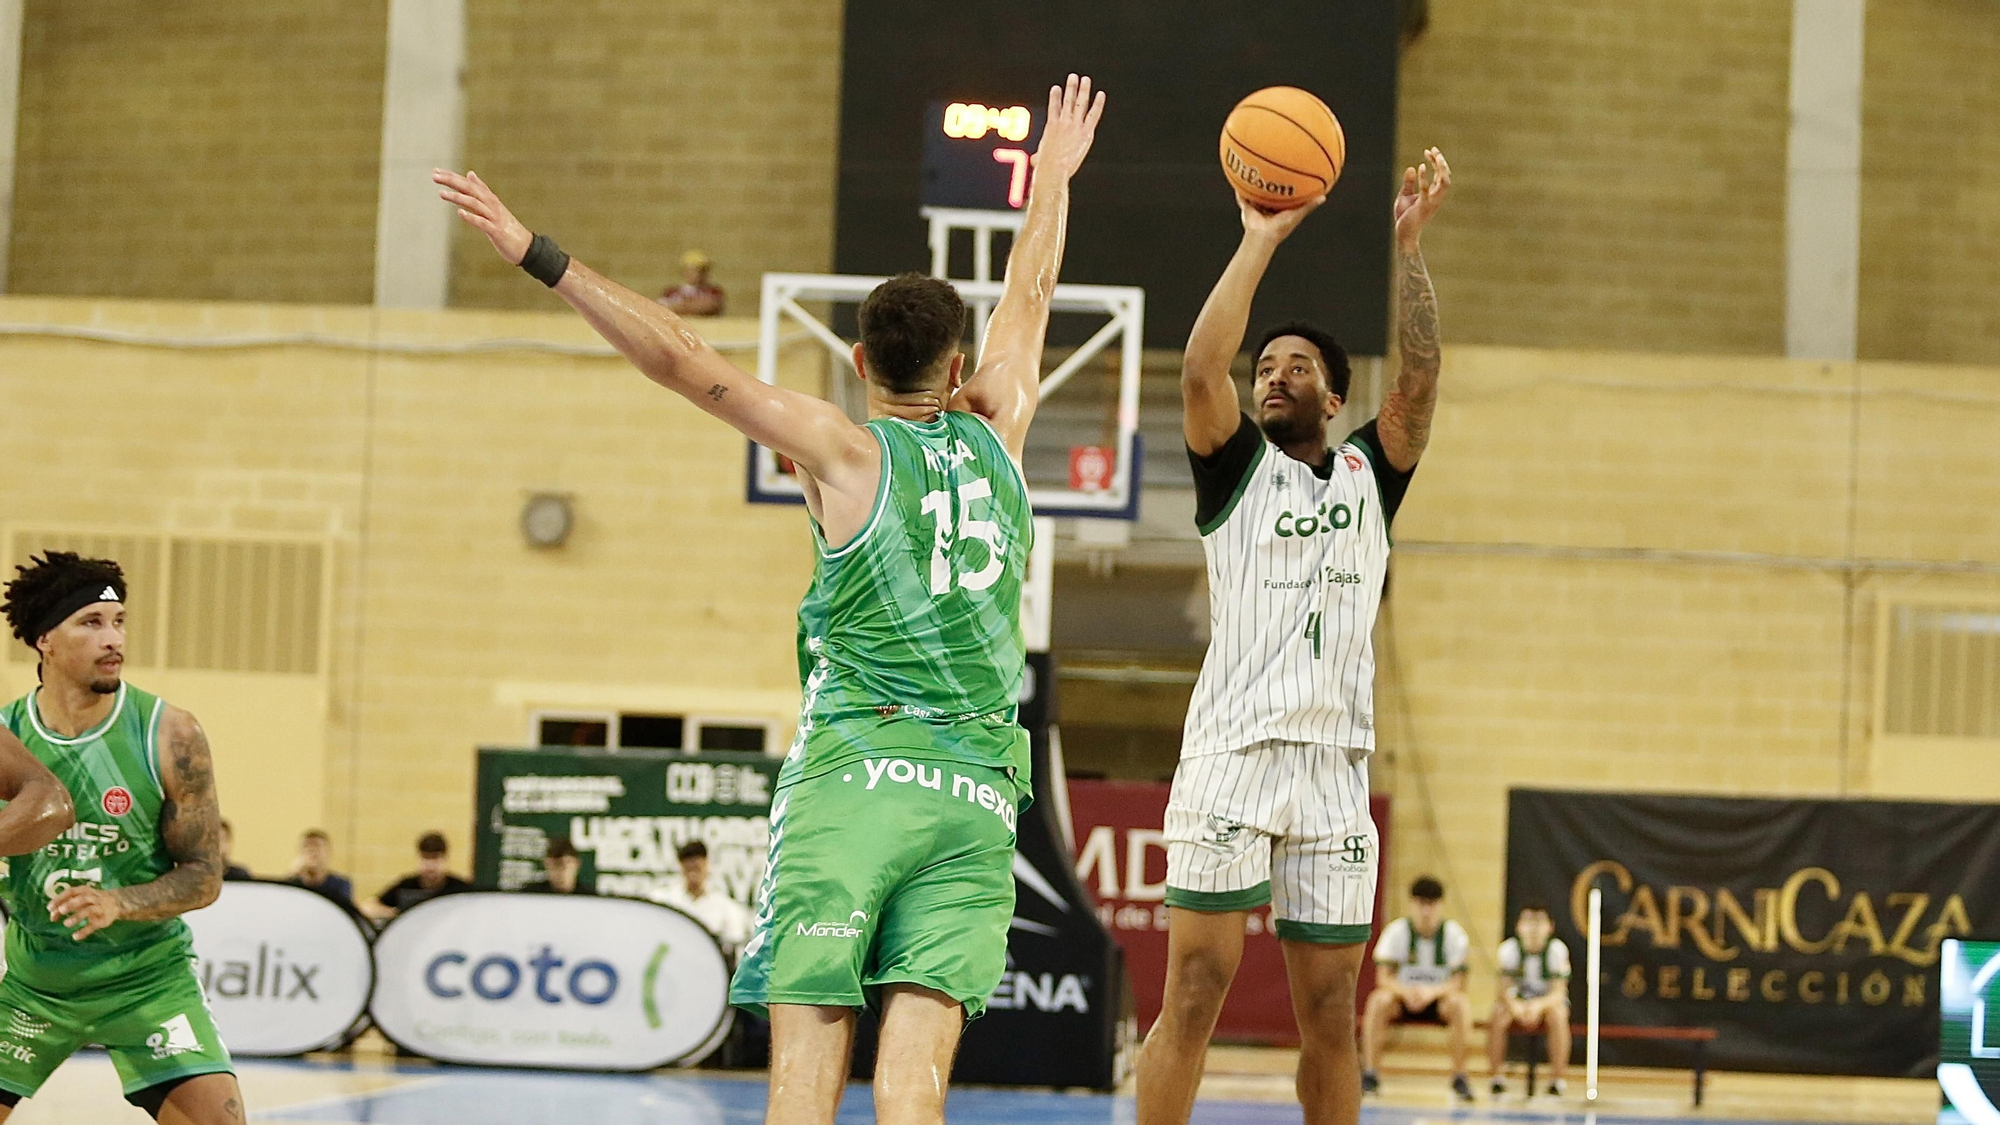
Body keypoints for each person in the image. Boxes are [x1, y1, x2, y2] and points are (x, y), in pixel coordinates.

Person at [437, 71, 1104, 1125]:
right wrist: (1053, 177)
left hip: (860, 774)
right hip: (977, 789)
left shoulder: (841, 450)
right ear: (960, 363)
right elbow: (1031, 290)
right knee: (914, 1086)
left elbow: (682, 358)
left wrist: (538, 253)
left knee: (803, 1070)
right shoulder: (1003, 425)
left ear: (855, 360)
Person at [1137, 147, 1451, 1125]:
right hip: (1230, 754)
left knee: (1327, 1008)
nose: (1273, 376)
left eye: (1295, 367)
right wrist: (1257, 237)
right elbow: (1198, 368)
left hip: (1331, 768)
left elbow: (1423, 369)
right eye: (1265, 366)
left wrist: (1406, 249)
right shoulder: (1231, 470)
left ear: (1333, 397)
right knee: (1193, 993)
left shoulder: (1370, 473)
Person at [0, 552, 245, 1123]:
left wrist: (119, 901)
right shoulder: (8, 738)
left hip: (147, 981)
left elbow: (205, 876)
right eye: (91, 623)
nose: (114, 639)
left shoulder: (170, 733)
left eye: (119, 622)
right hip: (37, 984)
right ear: (45, 640)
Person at [1362, 877, 1474, 1099]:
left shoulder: (1454, 934)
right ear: (1412, 904)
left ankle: (1460, 1077)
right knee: (1378, 1001)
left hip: (1439, 1000)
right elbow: (1383, 978)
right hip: (1403, 999)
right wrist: (1407, 992)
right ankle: (1370, 1074)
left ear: (1441, 905)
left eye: (1431, 904)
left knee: (1460, 1004)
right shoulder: (1396, 932)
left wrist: (1431, 992)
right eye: (1421, 904)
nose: (1426, 911)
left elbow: (1458, 982)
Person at [1487, 903, 1572, 1098]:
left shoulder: (1557, 951)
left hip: (1546, 1003)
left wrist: (1538, 1006)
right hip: (1517, 1001)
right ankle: (1496, 1078)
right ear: (1518, 926)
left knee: (1559, 1015)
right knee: (1498, 1014)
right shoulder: (1508, 950)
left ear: (1550, 927)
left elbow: (1558, 992)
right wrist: (1516, 1007)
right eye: (1528, 921)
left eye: (1539, 921)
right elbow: (1503, 989)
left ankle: (1557, 1080)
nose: (1533, 927)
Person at [656, 841, 753, 955]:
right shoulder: (666, 901)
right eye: (688, 867)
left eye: (697, 867)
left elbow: (735, 945)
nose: (693, 872)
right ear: (681, 867)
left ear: (706, 865)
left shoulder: (725, 908)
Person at [364, 831, 471, 920]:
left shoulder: (460, 888)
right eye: (425, 858)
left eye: (436, 859)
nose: (430, 866)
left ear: (445, 859)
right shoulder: (406, 885)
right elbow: (368, 907)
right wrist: (398, 914)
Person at [285, 828, 354, 909]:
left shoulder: (340, 884)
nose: (312, 850)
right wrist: (291, 875)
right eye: (306, 846)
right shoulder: (292, 882)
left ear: (328, 853)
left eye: (317, 846)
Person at [659, 249, 725, 315]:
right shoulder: (672, 292)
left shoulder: (713, 291)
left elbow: (710, 307)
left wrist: (680, 307)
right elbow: (662, 308)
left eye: (702, 270)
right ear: (685, 271)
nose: (698, 274)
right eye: (694, 270)